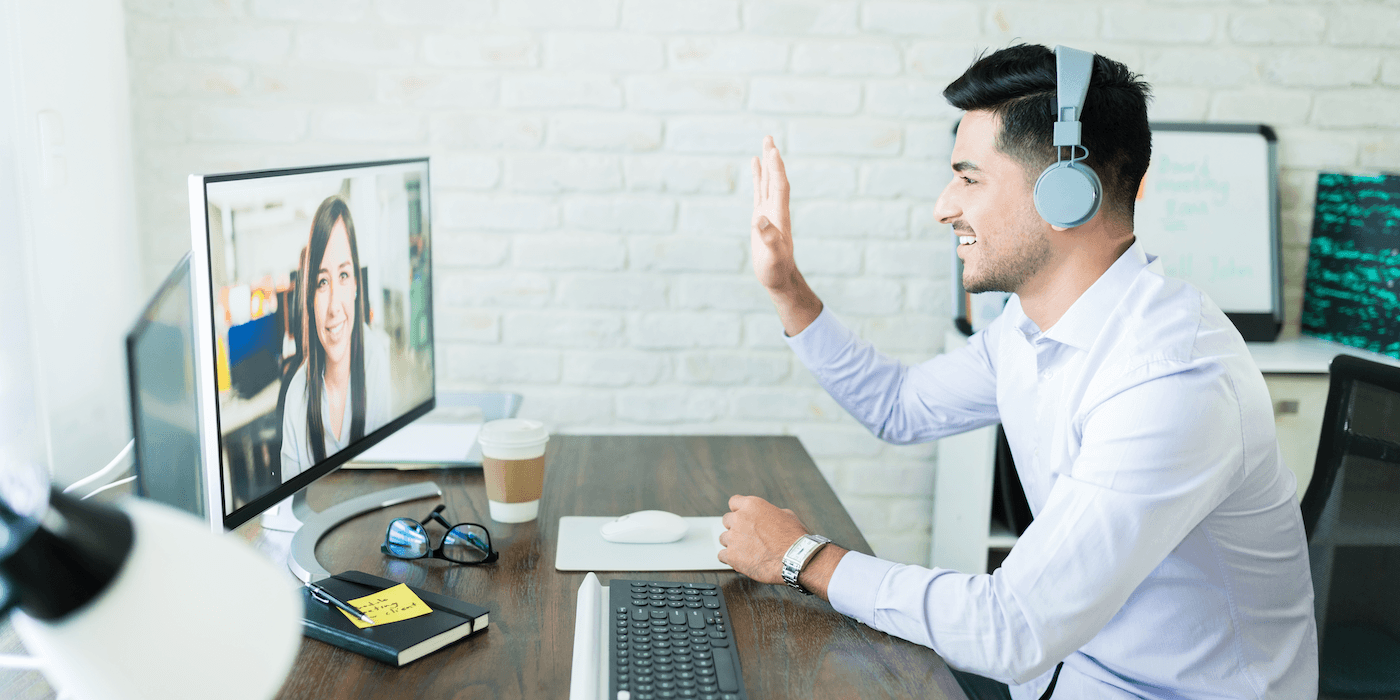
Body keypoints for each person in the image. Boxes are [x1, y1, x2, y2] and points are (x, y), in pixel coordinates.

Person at [718, 44, 1318, 699]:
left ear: (1066, 191)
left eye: (969, 177)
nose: (944, 206)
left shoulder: (1171, 380)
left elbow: (1013, 627)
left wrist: (801, 556)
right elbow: (901, 406)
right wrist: (787, 288)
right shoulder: (1029, 329)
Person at [280, 195, 392, 479]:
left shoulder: (375, 358)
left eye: (343, 275)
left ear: (356, 283)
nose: (333, 307)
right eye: (321, 282)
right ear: (309, 298)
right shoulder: (296, 399)